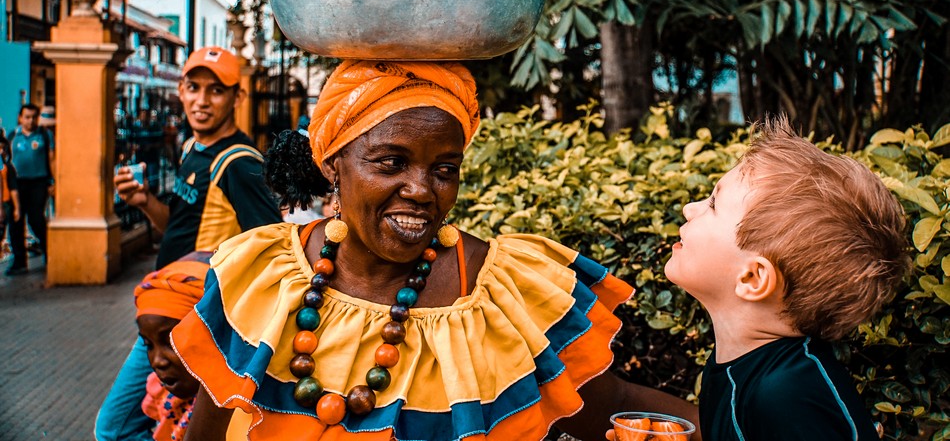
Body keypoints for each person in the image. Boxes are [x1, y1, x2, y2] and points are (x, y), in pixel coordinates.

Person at [172, 60, 699, 441]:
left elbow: (618, 407)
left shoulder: (498, 295)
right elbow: (209, 428)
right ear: (332, 164)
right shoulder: (261, 276)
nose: (422, 190)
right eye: (390, 162)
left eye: (444, 170)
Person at [661, 116, 908, 440]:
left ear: (752, 278)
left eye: (713, 204)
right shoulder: (740, 367)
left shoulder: (788, 394)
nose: (690, 209)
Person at [95, 46, 283, 441]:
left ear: (237, 97)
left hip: (191, 321)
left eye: (216, 90)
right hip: (164, 311)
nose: (201, 100)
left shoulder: (239, 164)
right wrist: (144, 202)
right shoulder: (191, 148)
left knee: (115, 427)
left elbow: (273, 251)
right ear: (180, 90)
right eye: (193, 87)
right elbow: (180, 229)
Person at [133, 253, 211, 441]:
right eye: (148, 344)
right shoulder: (168, 401)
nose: (158, 361)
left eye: (171, 342)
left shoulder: (243, 417)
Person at [8, 103, 54, 274]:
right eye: (27, 117)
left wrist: (54, 181)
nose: (30, 120)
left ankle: (50, 253)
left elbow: (52, 159)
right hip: (17, 184)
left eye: (34, 117)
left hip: (39, 182)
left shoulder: (44, 135)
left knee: (36, 219)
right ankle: (19, 260)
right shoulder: (13, 136)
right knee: (16, 222)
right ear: (20, 118)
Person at [1, 136, 22, 273]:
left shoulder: (8, 168)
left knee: (11, 233)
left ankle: (18, 260)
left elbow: (13, 189)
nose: (1, 151)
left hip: (7, 203)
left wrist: (17, 208)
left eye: (3, 148)